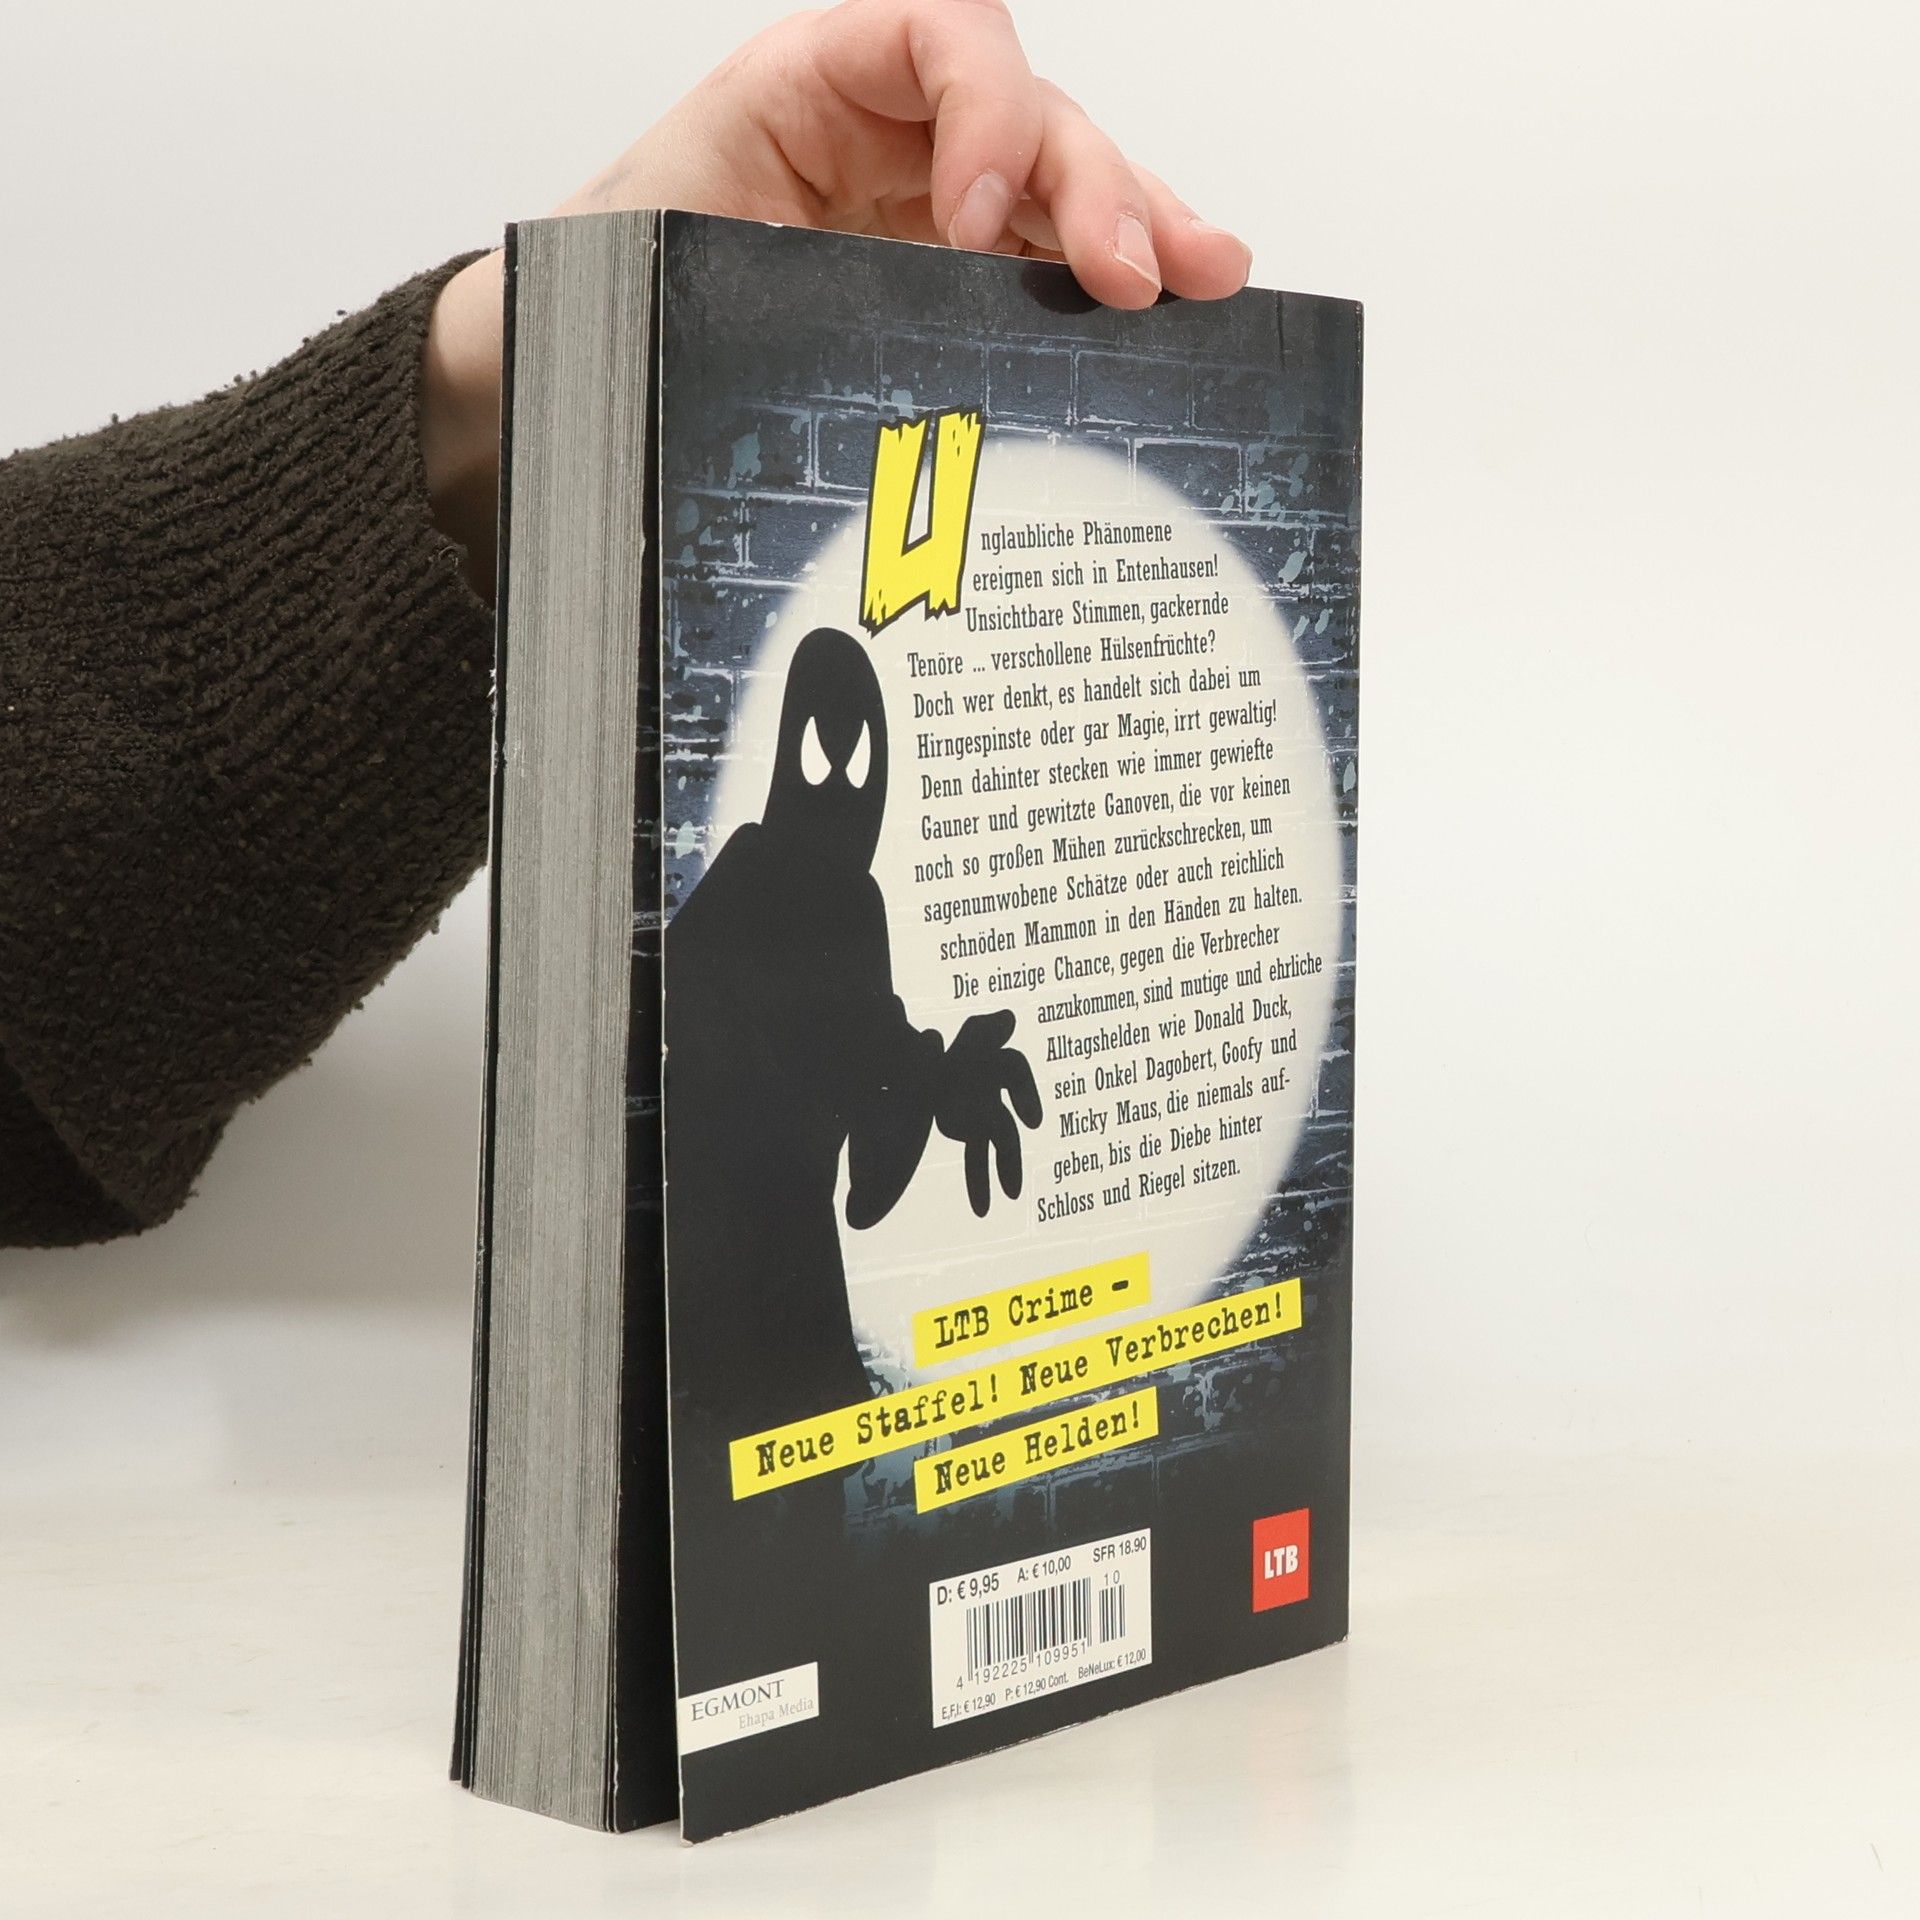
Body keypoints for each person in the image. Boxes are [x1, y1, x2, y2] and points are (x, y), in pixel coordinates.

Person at [0, 0, 1252, 1249]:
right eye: (826, 742)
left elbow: (874, 1122)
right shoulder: (753, 880)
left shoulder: (851, 908)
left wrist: (530, 391)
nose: (839, 776)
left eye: (853, 748)